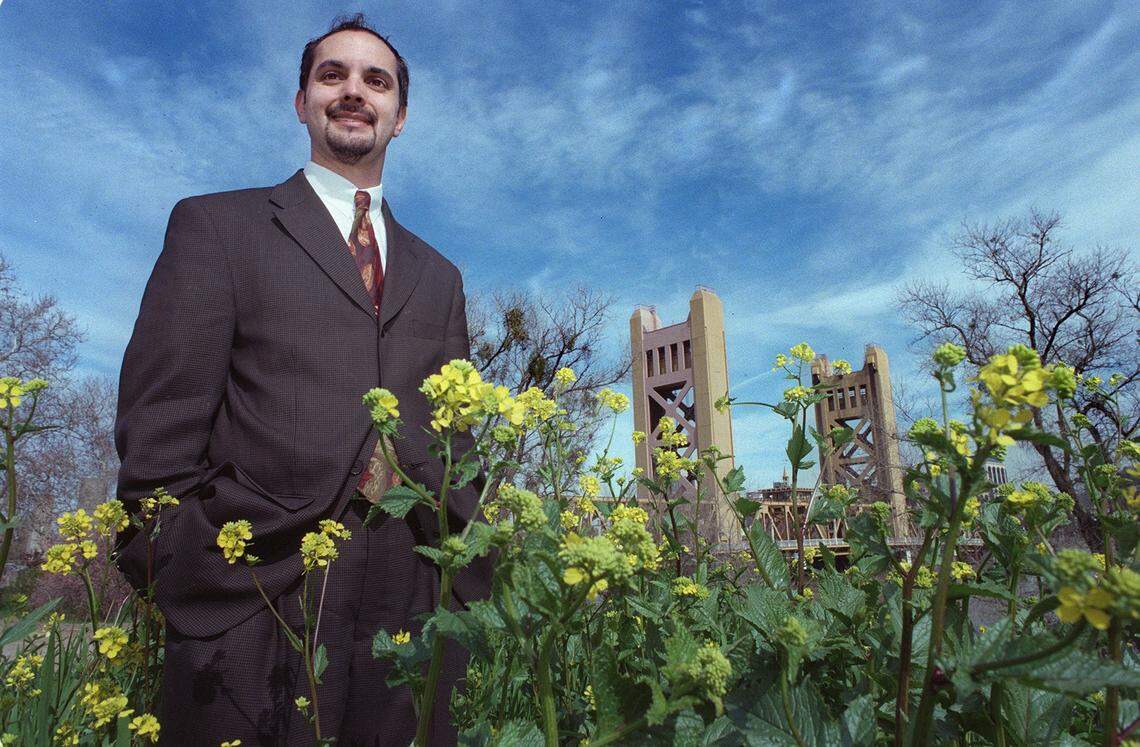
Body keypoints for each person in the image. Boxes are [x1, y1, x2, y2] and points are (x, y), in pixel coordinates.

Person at [113, 14, 489, 745]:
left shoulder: (440, 276)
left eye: (375, 81)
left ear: (400, 116)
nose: (354, 91)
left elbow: (458, 439)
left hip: (409, 594)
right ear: (301, 103)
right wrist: (186, 571)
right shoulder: (217, 227)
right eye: (332, 75)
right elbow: (159, 426)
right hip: (258, 581)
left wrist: (464, 571)